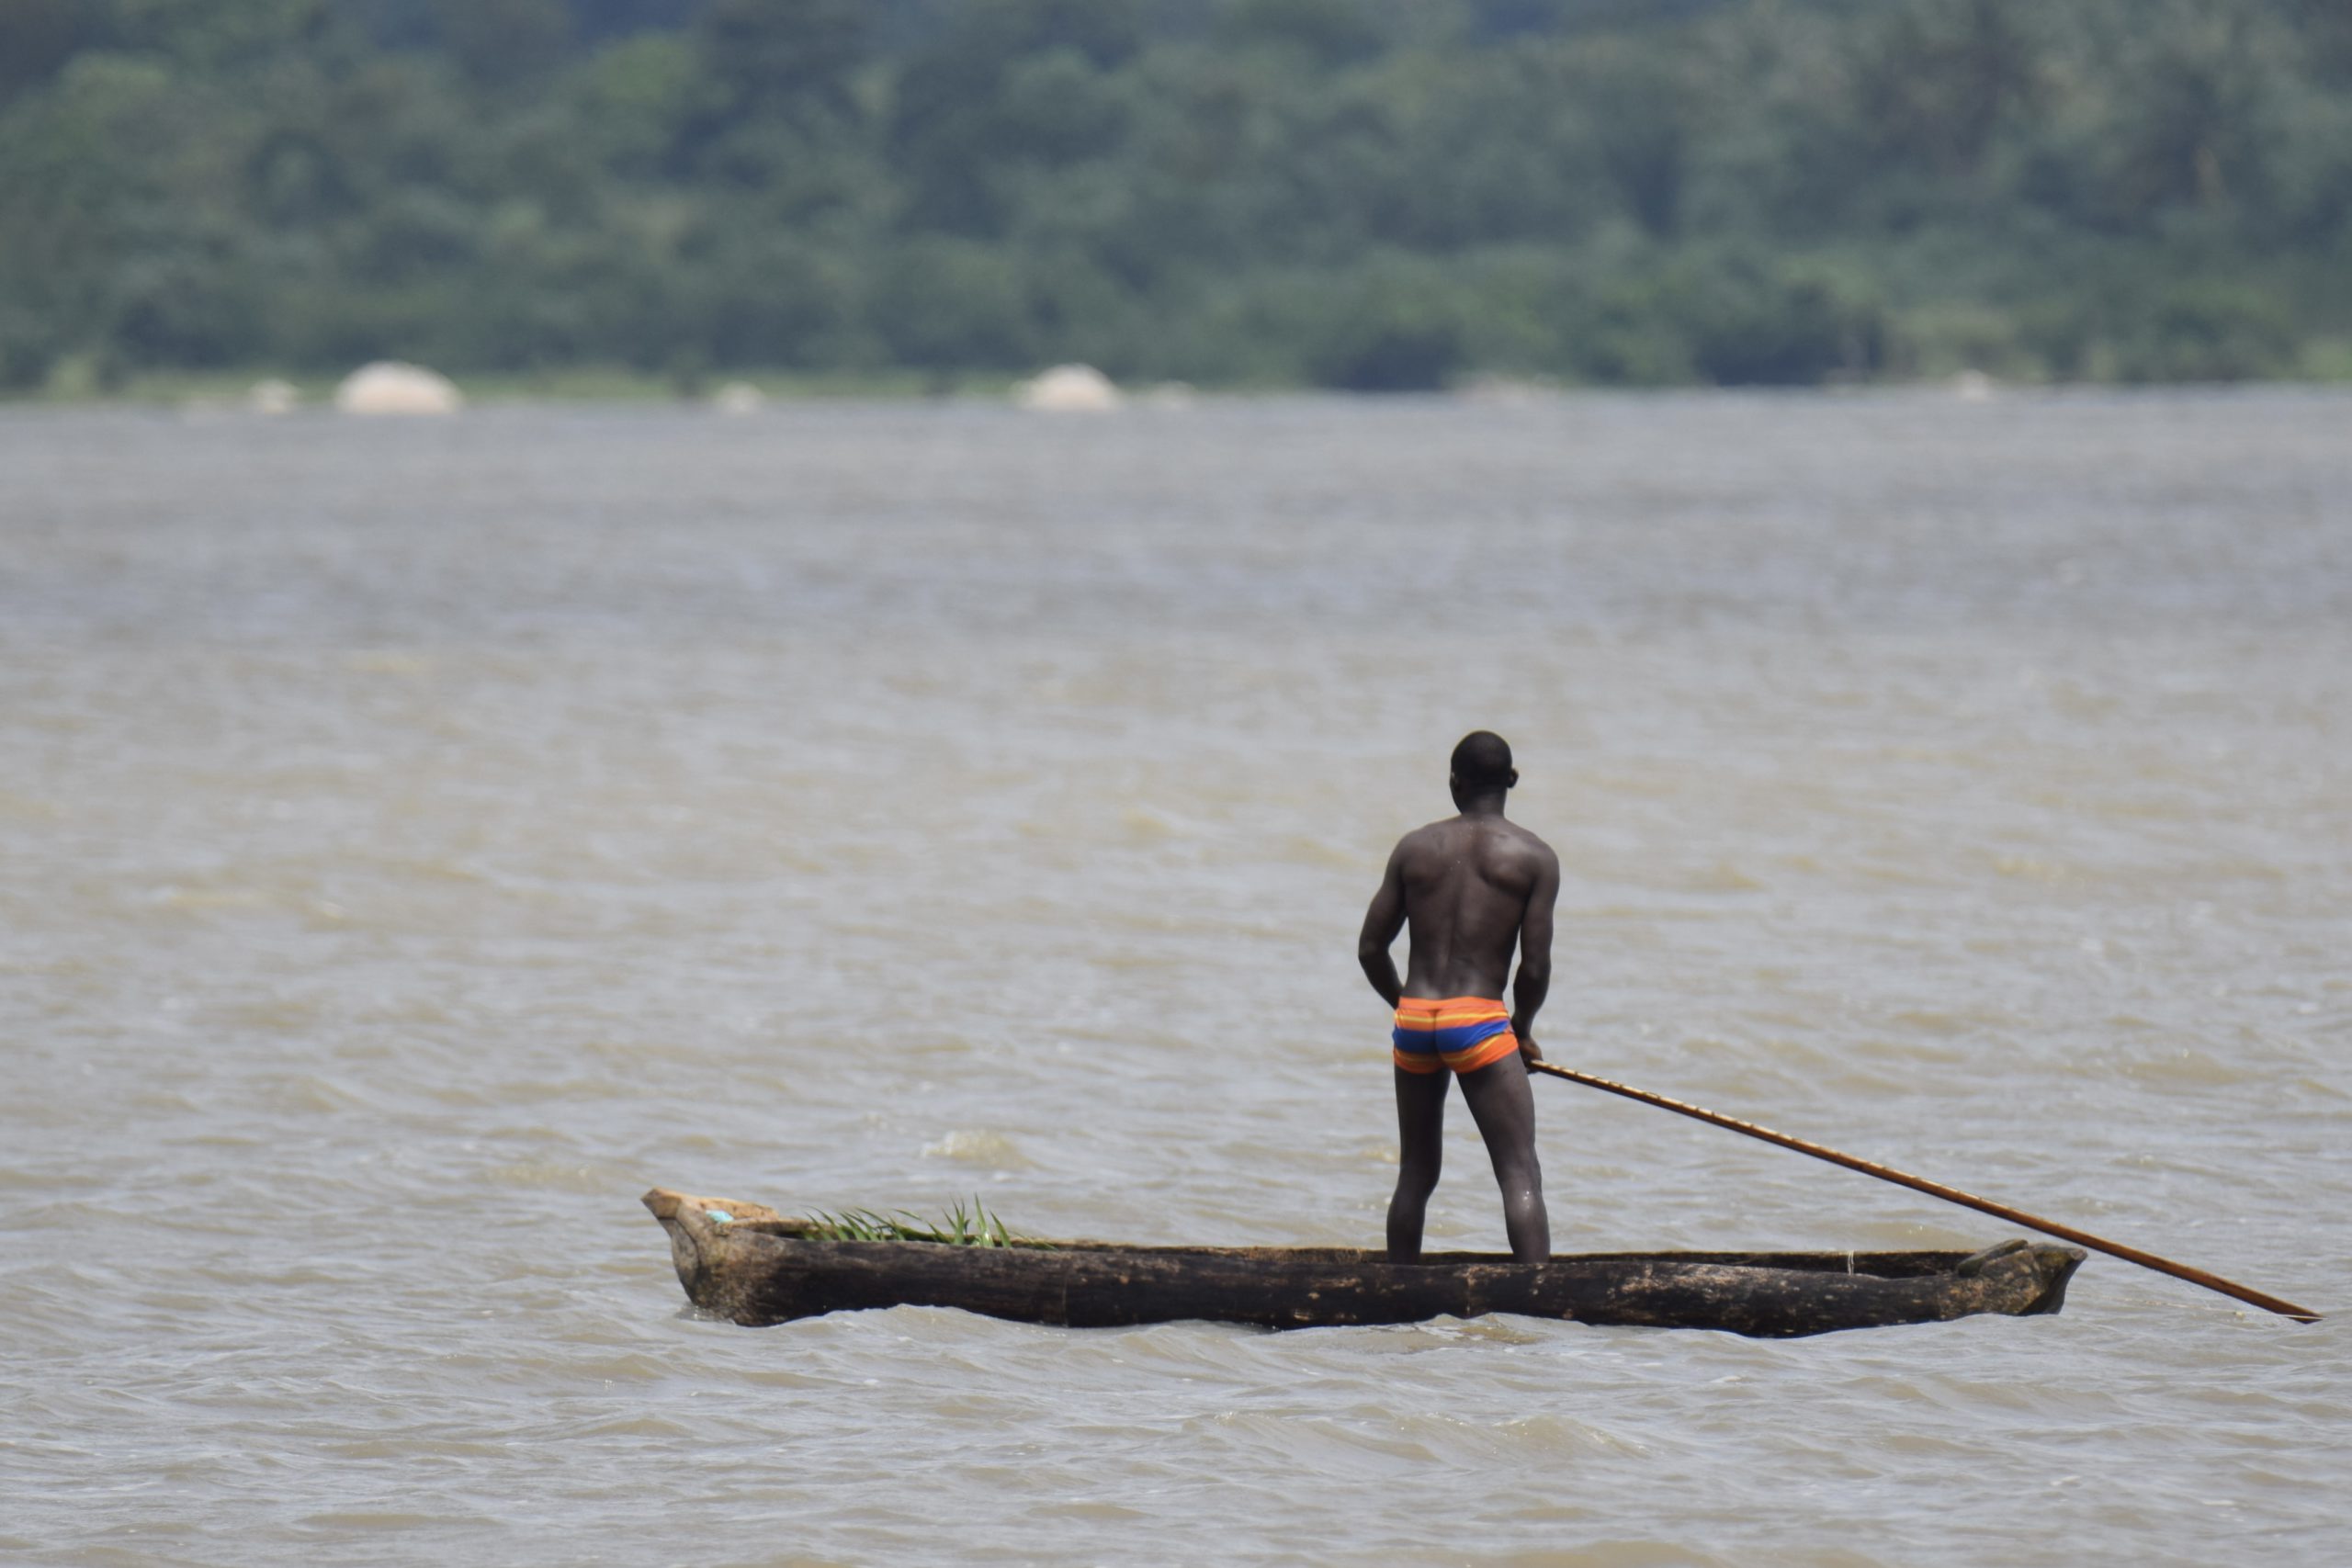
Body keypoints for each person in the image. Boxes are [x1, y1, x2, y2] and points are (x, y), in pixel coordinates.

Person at [1357, 730, 1560, 1263]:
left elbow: (1370, 949)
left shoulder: (1415, 847)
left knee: (1416, 1174)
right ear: (1512, 781)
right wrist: (1522, 1030)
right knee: (1519, 1171)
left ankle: (1398, 1292)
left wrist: (1406, 1006)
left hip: (1417, 1018)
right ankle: (1537, 1296)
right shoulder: (1534, 857)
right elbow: (1534, 965)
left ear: (1454, 782)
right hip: (1480, 1021)